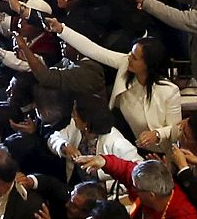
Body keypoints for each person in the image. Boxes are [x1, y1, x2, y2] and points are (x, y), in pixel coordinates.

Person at [50, 19, 182, 139]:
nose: (129, 58)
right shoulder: (125, 64)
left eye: (135, 58)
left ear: (149, 64)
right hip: (127, 138)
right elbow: (93, 50)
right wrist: (62, 29)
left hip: (161, 152)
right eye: (130, 53)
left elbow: (177, 130)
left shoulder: (170, 91)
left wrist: (157, 134)